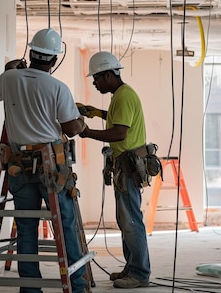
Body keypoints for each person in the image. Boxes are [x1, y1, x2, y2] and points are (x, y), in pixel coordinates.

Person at [0, 28, 89, 293]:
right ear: (54, 60)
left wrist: (9, 68)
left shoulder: (9, 79)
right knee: (65, 223)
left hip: (18, 164)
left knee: (25, 226)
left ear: (30, 53)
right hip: (50, 165)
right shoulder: (57, 87)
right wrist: (80, 121)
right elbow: (70, 129)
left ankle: (30, 288)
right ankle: (77, 285)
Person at [77, 51, 151, 289]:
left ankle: (139, 274)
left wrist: (87, 132)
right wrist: (97, 112)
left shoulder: (123, 97)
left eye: (96, 78)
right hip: (124, 165)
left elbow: (120, 132)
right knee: (125, 220)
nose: (94, 83)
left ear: (108, 75)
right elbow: (119, 119)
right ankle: (132, 268)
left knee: (131, 220)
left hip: (128, 166)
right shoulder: (120, 95)